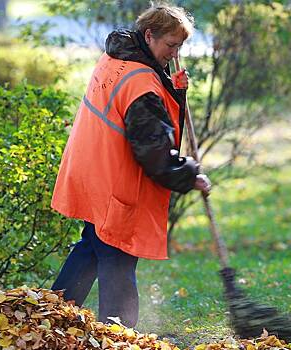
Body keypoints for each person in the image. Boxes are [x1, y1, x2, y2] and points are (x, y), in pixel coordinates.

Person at [50, 4, 211, 328]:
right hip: (115, 186)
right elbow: (154, 150)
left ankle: (51, 317)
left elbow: (144, 119)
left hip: (91, 174)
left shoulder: (116, 58)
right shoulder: (142, 84)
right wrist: (189, 174)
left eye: (180, 46)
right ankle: (119, 336)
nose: (175, 52)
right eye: (170, 44)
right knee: (117, 259)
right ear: (149, 35)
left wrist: (173, 90)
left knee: (92, 249)